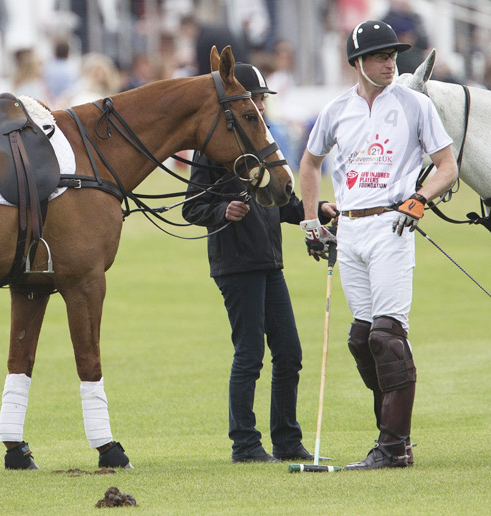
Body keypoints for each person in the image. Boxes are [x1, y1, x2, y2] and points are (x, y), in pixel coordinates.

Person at [299, 20, 458, 470]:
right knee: (361, 339)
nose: (391, 63)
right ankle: (394, 438)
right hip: (348, 230)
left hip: (392, 226)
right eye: (380, 57)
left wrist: (419, 199)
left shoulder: (414, 105)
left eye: (392, 56)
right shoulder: (335, 110)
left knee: (388, 337)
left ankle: (391, 448)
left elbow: (445, 165)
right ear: (357, 63)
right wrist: (311, 220)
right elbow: (309, 165)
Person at [182, 63, 337, 463]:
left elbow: (278, 204)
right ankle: (245, 444)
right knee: (250, 354)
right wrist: (223, 211)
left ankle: (286, 441)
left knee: (289, 353)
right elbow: (192, 207)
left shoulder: (259, 141)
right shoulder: (213, 148)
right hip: (235, 264)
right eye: (260, 99)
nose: (265, 106)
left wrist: (314, 210)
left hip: (269, 261)